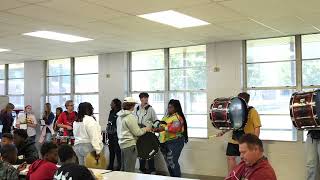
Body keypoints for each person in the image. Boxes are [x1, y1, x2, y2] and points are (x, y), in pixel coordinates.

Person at [217, 92, 261, 173]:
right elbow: (232, 125)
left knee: (246, 160)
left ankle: (245, 176)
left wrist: (255, 142)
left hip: (246, 141)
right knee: (230, 157)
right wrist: (223, 132)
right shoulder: (235, 111)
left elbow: (257, 127)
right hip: (234, 139)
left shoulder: (252, 111)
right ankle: (232, 177)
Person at [154, 99, 188, 177]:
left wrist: (163, 128)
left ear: (176, 108)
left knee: (172, 161)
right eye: (168, 107)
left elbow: (176, 128)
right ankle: (172, 177)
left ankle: (177, 177)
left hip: (175, 142)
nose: (169, 109)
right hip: (164, 142)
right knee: (168, 162)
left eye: (171, 107)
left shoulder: (177, 117)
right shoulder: (166, 117)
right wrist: (156, 128)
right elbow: (161, 125)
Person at [117, 97, 151, 172]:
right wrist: (146, 129)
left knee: (123, 169)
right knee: (129, 170)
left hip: (122, 145)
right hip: (130, 145)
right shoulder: (130, 117)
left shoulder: (119, 116)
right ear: (132, 106)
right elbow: (137, 132)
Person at [134, 92, 157, 174]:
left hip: (148, 133)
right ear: (140, 99)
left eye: (147, 98)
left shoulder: (151, 109)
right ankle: (142, 169)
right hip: (139, 133)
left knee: (150, 151)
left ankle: (152, 169)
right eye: (144, 98)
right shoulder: (136, 108)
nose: (146, 99)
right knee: (141, 152)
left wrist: (153, 128)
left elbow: (156, 121)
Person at [106, 98, 122, 170]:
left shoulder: (120, 113)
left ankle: (120, 167)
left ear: (115, 104)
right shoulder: (111, 112)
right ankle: (110, 166)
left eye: (112, 103)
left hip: (117, 135)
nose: (110, 105)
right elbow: (109, 122)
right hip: (110, 135)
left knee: (118, 151)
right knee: (111, 151)